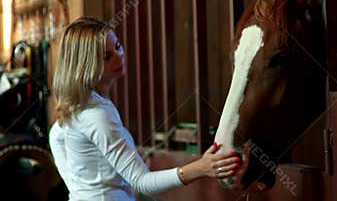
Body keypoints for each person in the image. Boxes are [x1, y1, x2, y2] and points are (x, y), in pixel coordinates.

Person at [49, 17, 241, 201]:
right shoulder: (97, 114)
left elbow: (55, 135)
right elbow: (142, 182)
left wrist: (78, 186)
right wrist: (201, 168)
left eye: (117, 46)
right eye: (107, 57)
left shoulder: (78, 104)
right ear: (85, 66)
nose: (120, 56)